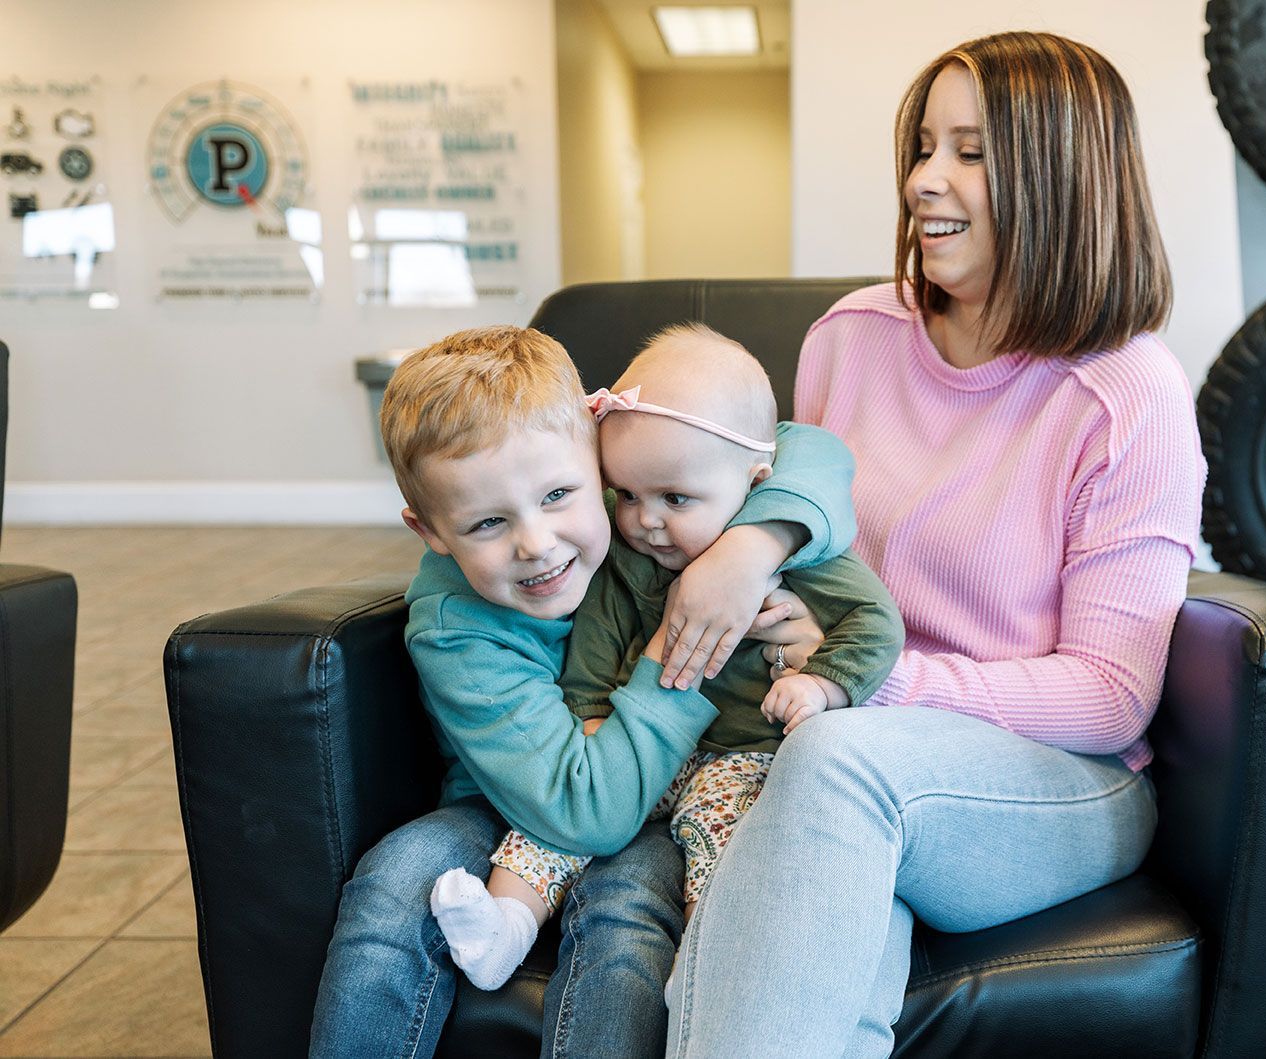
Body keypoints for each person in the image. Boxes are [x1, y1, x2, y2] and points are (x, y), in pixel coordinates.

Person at [543, 30, 1205, 1055]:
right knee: (833, 866)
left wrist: (866, 679)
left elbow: (1110, 695)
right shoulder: (852, 336)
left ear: (1065, 174)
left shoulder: (1128, 394)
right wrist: (749, 548)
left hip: (1058, 779)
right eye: (924, 145)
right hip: (831, 744)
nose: (922, 181)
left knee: (841, 764)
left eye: (971, 152)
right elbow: (800, 480)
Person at [307, 324, 859, 1058]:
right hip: (517, 799)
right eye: (488, 522)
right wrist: (680, 637)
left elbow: (809, 447)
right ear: (430, 530)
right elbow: (582, 810)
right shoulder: (454, 627)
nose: (537, 543)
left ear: (598, 451)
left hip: (687, 786)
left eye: (560, 494)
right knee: (395, 881)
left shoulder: (636, 495)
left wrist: (750, 549)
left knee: (624, 906)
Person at [426, 323, 904, 992]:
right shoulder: (628, 559)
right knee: (547, 828)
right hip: (643, 752)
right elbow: (596, 645)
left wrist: (826, 683)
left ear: (754, 481)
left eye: (674, 499)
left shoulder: (800, 550)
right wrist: (591, 716)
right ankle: (505, 924)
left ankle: (717, 956)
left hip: (743, 750)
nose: (645, 521)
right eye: (627, 495)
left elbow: (876, 621)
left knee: (723, 835)